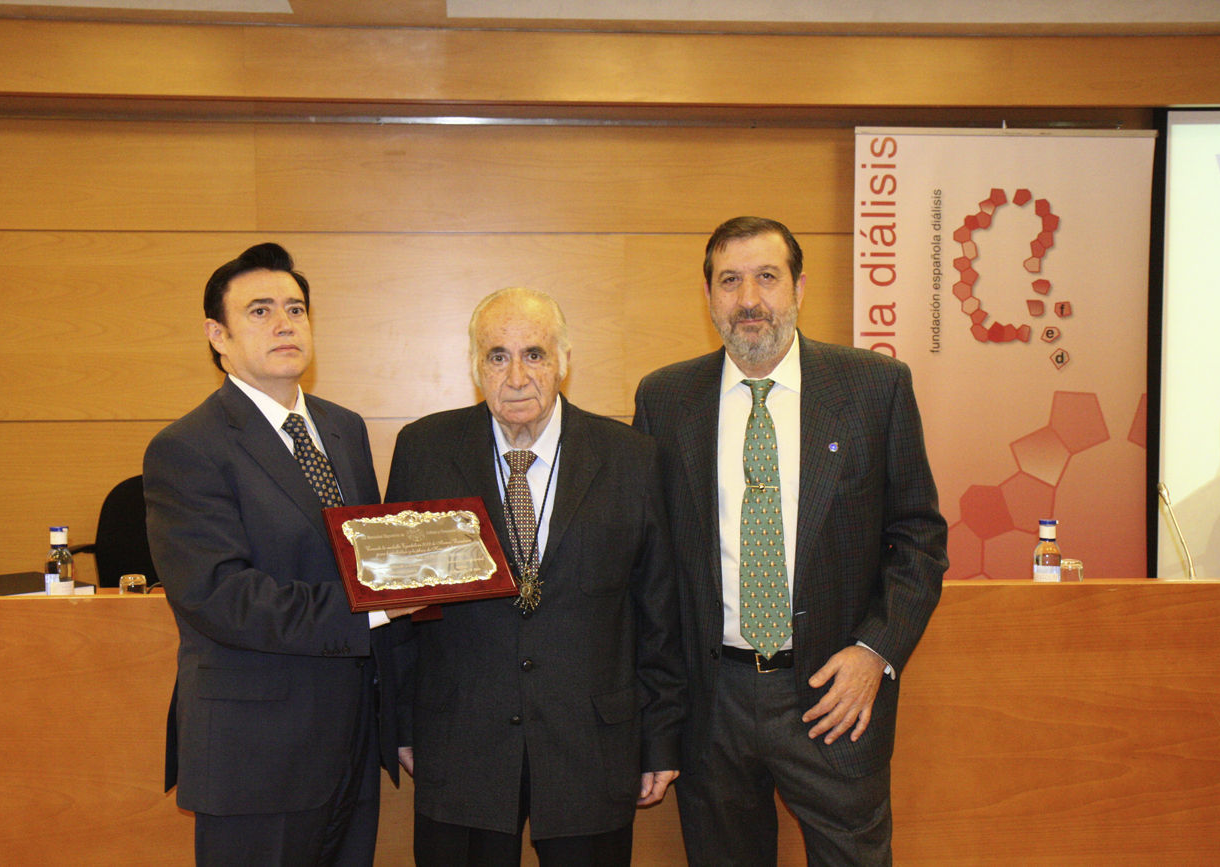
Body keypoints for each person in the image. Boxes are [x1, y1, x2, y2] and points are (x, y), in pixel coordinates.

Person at [633, 216, 948, 865]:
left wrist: (876, 651)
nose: (749, 299)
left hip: (835, 694)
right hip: (712, 700)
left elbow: (918, 536)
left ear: (799, 287)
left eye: (767, 277)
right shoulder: (665, 398)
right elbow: (649, 560)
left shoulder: (874, 387)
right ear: (709, 296)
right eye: (730, 281)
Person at [385, 286, 686, 866]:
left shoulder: (631, 458)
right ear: (475, 365)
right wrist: (400, 723)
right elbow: (403, 606)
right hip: (460, 744)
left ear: (564, 360)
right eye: (497, 356)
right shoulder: (424, 449)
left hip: (591, 748)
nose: (517, 377)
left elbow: (659, 615)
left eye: (535, 354)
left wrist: (660, 738)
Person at [143, 242, 413, 866]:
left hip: (352, 742)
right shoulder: (188, 447)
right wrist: (373, 606)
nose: (285, 323)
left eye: (295, 309)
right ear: (218, 335)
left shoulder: (343, 428)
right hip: (255, 754)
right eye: (260, 311)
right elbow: (222, 598)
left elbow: (365, 557)